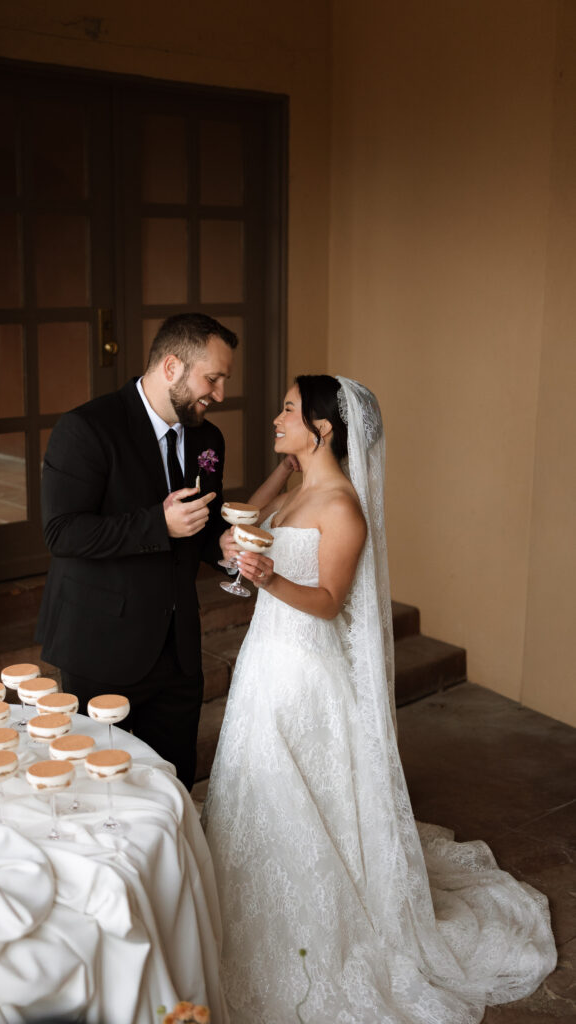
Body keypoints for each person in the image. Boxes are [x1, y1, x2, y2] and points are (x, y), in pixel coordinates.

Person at [204, 375, 556, 1022]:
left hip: (302, 673)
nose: (276, 416)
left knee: (292, 789)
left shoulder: (341, 508)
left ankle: (310, 924)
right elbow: (251, 523)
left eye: (288, 410)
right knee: (254, 788)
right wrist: (275, 483)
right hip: (264, 660)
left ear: (324, 429)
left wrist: (267, 574)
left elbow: (327, 602)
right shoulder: (300, 485)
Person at [35, 313, 237, 790]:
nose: (221, 393)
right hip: (101, 644)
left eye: (225, 379)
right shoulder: (86, 429)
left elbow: (203, 517)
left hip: (178, 649)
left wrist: (222, 545)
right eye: (213, 378)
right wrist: (157, 524)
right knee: (105, 791)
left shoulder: (208, 438)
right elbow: (62, 533)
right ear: (171, 367)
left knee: (173, 785)